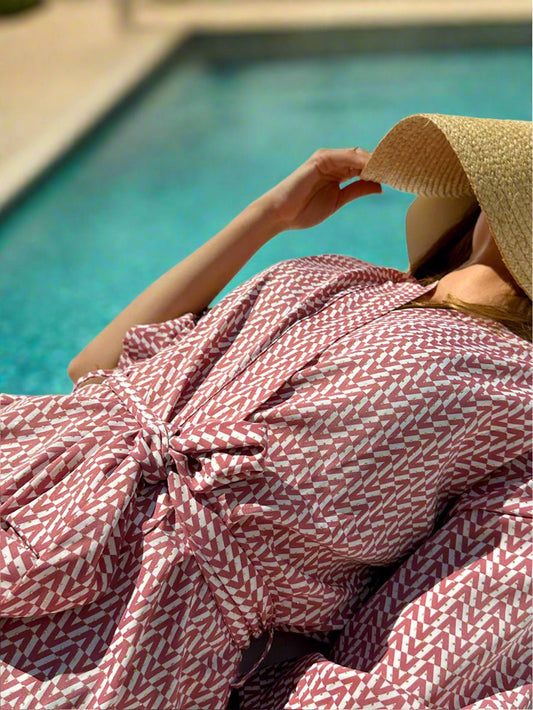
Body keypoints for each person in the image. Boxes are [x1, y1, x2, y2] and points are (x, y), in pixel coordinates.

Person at [0, 114, 531, 710]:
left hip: (135, 625)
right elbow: (95, 372)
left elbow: (456, 607)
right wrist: (268, 217)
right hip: (33, 483)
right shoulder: (343, 275)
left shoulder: (520, 393)